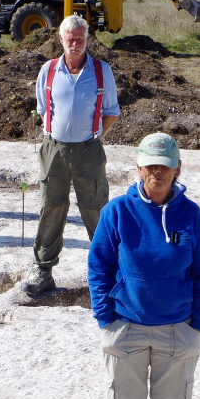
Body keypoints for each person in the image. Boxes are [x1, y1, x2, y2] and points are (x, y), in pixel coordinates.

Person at [88, 132, 200, 399]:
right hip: (125, 326)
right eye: (150, 166)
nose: (156, 173)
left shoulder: (191, 215)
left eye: (164, 166)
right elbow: (99, 266)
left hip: (178, 329)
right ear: (138, 167)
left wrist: (198, 323)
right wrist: (105, 318)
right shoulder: (116, 212)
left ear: (178, 169)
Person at [21, 15, 120, 297]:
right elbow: (43, 109)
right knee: (51, 207)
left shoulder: (102, 71)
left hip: (89, 149)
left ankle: (108, 275)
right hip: (54, 150)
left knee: (96, 209)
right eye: (70, 39)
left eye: (80, 39)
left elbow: (111, 112)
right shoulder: (48, 70)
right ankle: (44, 271)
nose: (75, 44)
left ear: (87, 39)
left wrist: (95, 137)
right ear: (60, 40)